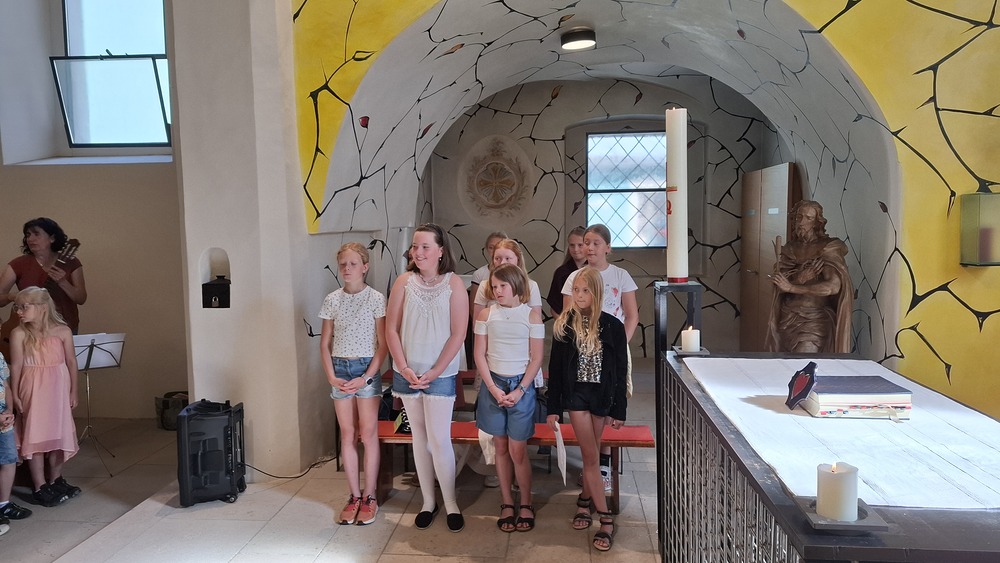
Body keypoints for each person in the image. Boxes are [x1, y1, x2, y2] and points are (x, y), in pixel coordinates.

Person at [385, 223, 468, 532]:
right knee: (419, 439)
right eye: (415, 246)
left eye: (424, 247)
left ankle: (451, 503)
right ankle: (428, 502)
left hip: (440, 372)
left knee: (439, 438)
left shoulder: (453, 283)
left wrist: (435, 370)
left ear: (440, 251)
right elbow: (391, 329)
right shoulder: (403, 282)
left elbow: (458, 333)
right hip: (407, 370)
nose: (417, 252)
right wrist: (403, 366)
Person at [547, 266, 628, 552]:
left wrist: (619, 410)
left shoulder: (613, 326)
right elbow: (556, 370)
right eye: (576, 290)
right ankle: (605, 518)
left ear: (597, 293)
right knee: (591, 457)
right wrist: (553, 407)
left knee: (593, 452)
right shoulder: (565, 326)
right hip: (576, 396)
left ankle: (584, 500)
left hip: (601, 396)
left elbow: (620, 371)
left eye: (585, 291)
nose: (579, 296)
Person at [560, 224, 638, 491]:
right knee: (585, 404)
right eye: (586, 242)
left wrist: (617, 346)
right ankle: (590, 464)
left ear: (608, 248)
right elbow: (568, 317)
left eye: (595, 243)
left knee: (606, 403)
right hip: (583, 351)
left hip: (612, 349)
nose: (589, 248)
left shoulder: (620, 275)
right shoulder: (575, 277)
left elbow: (631, 315)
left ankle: (603, 464)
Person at [318, 243, 388, 526]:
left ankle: (370, 496)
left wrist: (367, 377)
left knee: (368, 433)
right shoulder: (332, 300)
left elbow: (383, 345)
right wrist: (331, 376)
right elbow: (325, 343)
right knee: (347, 433)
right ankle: (354, 496)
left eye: (353, 264)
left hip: (366, 368)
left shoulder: (376, 298)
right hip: (340, 368)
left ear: (365, 267)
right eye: (343, 264)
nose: (347, 269)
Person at [473, 264, 544, 533]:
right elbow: (479, 353)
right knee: (500, 447)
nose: (497, 290)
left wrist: (520, 390)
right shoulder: (486, 314)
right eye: (494, 286)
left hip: (520, 386)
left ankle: (525, 501)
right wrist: (493, 388)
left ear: (516, 285)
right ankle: (506, 502)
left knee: (517, 449)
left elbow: (536, 357)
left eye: (503, 285)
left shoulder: (531, 316)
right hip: (494, 384)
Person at [8, 287, 80, 508]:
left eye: (24, 307)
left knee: (59, 433)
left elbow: (71, 362)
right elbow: (16, 366)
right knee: (36, 436)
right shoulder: (19, 334)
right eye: (17, 307)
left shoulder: (62, 331)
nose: (19, 312)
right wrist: (16, 395)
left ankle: (55, 479)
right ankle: (39, 485)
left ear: (42, 307)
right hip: (33, 389)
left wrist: (74, 391)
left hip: (58, 388)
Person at [765, 200, 853, 353]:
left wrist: (792, 287)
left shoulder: (827, 248)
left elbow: (832, 287)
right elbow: (779, 287)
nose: (801, 223)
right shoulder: (790, 248)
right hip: (787, 318)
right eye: (799, 217)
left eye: (808, 218)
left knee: (804, 359)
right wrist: (799, 279)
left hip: (813, 319)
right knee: (785, 362)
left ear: (817, 223)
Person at [0, 218, 87, 337]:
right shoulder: (18, 264)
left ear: (52, 238)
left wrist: (62, 282)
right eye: (28, 235)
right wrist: (13, 296)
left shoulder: (71, 262)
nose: (30, 239)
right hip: (29, 330)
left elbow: (81, 298)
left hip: (64, 327)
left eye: (36, 234)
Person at [1, 352, 32, 528]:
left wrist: (9, 410)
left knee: (9, 459)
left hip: (4, 421)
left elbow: (6, 385)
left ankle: (3, 504)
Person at [546, 226, 587, 315]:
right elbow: (555, 308)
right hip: (567, 320)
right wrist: (563, 323)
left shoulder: (595, 271)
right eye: (572, 245)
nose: (576, 249)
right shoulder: (561, 273)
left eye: (580, 245)